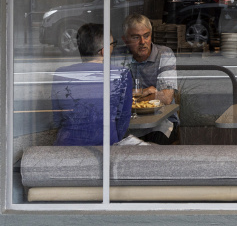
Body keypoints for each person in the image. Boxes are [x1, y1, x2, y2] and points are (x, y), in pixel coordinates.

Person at [51, 23, 133, 146]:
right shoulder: (122, 75)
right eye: (112, 44)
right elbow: (123, 121)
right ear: (104, 51)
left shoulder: (60, 74)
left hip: (66, 146)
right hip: (104, 146)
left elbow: (57, 119)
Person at [112, 14, 179, 144]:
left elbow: (166, 97)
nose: (143, 42)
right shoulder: (117, 56)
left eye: (146, 36)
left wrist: (129, 98)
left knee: (152, 149)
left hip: (161, 122)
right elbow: (111, 96)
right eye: (136, 37)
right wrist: (144, 92)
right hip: (127, 123)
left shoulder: (164, 54)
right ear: (125, 40)